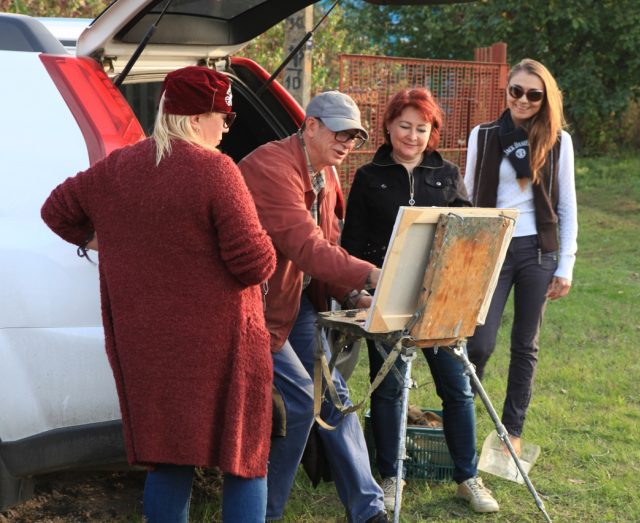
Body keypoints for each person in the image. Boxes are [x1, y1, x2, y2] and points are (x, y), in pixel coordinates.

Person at [40, 66, 277, 522]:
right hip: (221, 347)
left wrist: (105, 240)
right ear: (192, 119)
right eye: (221, 118)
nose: (227, 128)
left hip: (148, 347)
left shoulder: (116, 169)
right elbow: (254, 264)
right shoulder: (217, 171)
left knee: (170, 459)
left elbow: (56, 211)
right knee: (246, 458)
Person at [340, 87, 500, 514]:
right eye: (404, 126)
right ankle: (391, 476)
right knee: (389, 388)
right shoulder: (367, 177)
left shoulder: (447, 175)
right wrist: (356, 289)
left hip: (441, 301)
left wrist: (464, 287)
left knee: (457, 387)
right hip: (386, 295)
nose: (412, 135)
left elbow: (470, 233)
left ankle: (468, 477)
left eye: (421, 128)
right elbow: (351, 240)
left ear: (432, 133)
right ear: (389, 126)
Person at [238, 91, 389, 523]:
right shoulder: (272, 166)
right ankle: (264, 513)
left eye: (355, 137)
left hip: (294, 303)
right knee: (303, 402)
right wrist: (374, 276)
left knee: (334, 397)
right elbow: (305, 248)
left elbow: (327, 244)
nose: (347, 143)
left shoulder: (325, 173)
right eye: (340, 132)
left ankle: (369, 511)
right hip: (256, 309)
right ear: (310, 126)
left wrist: (350, 295)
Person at [464, 58, 578, 457]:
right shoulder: (483, 135)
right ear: (507, 91)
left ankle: (511, 431)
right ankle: (461, 417)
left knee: (525, 345)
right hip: (489, 246)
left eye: (534, 94)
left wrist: (565, 264)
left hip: (537, 251)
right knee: (478, 343)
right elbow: (467, 192)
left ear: (545, 98)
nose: (524, 100)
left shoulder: (558, 141)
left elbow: (568, 208)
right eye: (517, 91)